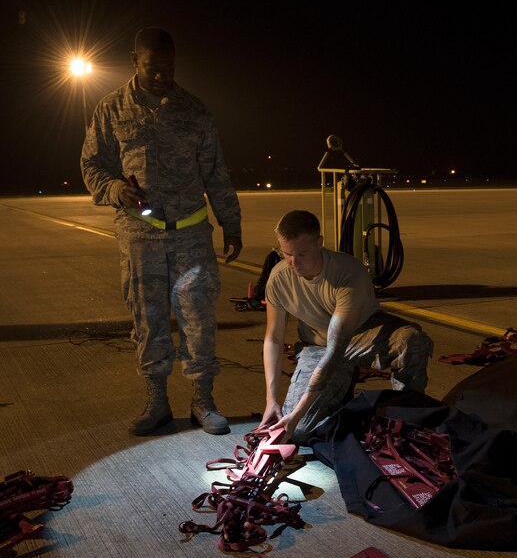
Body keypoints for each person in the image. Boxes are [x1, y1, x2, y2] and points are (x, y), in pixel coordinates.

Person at [81, 27, 242, 436]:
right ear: (135, 62)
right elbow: (91, 165)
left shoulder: (195, 111)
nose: (160, 76)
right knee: (148, 320)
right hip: (139, 235)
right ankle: (157, 402)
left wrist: (231, 222)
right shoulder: (111, 108)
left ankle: (203, 401)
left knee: (199, 320)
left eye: (168, 68)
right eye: (152, 68)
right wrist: (115, 188)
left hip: (191, 234)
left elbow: (215, 171)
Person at [260, 210, 433, 444]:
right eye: (286, 254)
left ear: (320, 243)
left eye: (301, 253)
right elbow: (273, 339)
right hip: (317, 345)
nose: (294, 263)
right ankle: (340, 396)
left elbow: (336, 349)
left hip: (361, 334)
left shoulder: (348, 272)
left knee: (411, 340)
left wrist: (297, 413)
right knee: (299, 431)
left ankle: (408, 418)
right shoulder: (279, 277)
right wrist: (271, 399)